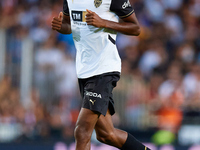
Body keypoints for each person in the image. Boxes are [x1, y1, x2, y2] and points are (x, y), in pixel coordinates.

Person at [51, 0, 151, 149]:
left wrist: (104, 22)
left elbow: (135, 28)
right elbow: (69, 25)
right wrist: (61, 27)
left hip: (104, 68)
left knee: (82, 131)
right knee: (106, 134)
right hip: (84, 70)